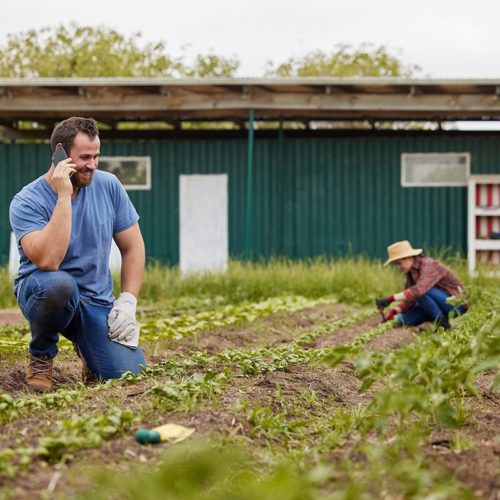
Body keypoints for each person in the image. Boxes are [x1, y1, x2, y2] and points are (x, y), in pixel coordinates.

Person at [9, 117, 146, 392]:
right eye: (85, 157)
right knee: (60, 286)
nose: (93, 165)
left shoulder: (109, 186)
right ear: (60, 152)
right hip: (44, 291)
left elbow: (133, 247)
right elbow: (49, 261)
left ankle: (88, 349)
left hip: (94, 299)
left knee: (129, 375)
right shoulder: (27, 201)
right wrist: (63, 196)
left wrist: (128, 301)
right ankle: (41, 354)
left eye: (96, 156)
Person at [375, 240, 467, 331]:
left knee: (419, 292)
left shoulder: (428, 265)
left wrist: (389, 299)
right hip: (439, 304)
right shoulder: (410, 274)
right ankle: (433, 319)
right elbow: (409, 300)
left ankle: (442, 323)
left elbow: (418, 291)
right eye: (396, 265)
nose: (398, 268)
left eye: (399, 263)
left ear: (409, 258)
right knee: (402, 320)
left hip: (456, 305)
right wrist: (393, 311)